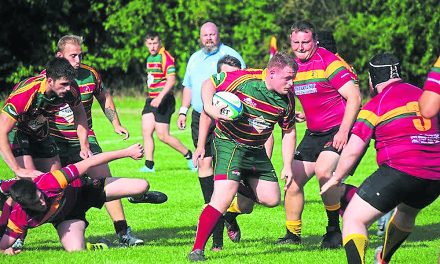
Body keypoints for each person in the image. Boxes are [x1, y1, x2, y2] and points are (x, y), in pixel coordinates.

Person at [320, 53, 440, 264]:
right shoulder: (423, 95)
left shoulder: (375, 105)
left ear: (371, 79)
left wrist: (335, 178)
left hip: (400, 170)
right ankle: (383, 258)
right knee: (406, 212)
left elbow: (353, 150)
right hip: (434, 177)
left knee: (353, 219)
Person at [188, 52, 298, 261]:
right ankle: (197, 249)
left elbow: (289, 131)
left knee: (271, 199)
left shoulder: (288, 100)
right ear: (272, 73)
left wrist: (287, 165)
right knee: (221, 197)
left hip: (255, 149)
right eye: (288, 78)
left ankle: (232, 197)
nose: (291, 83)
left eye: (293, 78)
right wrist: (210, 107)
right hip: (230, 144)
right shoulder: (245, 78)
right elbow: (207, 83)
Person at [50, 35, 146, 246]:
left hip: (86, 136)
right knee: (47, 187)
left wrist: (116, 123)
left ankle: (123, 232)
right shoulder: (49, 77)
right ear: (60, 55)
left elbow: (104, 97)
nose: (77, 59)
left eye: (80, 54)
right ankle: (17, 236)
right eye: (72, 55)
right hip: (55, 140)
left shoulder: (90, 74)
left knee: (104, 179)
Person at [278, 21, 361, 248]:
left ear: (314, 41)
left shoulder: (329, 62)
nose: (301, 47)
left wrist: (344, 131)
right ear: (291, 42)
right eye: (296, 43)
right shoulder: (292, 65)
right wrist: (299, 113)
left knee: (324, 172)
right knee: (292, 179)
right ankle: (292, 235)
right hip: (314, 133)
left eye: (306, 42)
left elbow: (355, 97)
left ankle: (334, 231)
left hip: (337, 130)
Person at [0, 144, 167, 255]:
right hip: (69, 215)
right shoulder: (18, 217)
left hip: (82, 191)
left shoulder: (51, 181)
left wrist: (127, 152)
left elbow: (91, 162)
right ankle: (100, 245)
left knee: (142, 185)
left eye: (40, 197)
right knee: (76, 251)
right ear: (23, 206)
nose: (42, 202)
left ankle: (136, 196)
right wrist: (6, 251)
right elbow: (2, 245)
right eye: (36, 203)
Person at [177, 21, 245, 250]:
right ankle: (215, 227)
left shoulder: (231, 56)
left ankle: (225, 214)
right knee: (204, 166)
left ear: (218, 35)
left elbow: (245, 86)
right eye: (204, 35)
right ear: (200, 37)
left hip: (227, 119)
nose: (208, 38)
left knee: (223, 172)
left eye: (212, 34)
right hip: (200, 117)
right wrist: (183, 110)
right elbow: (188, 86)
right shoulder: (195, 58)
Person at [193, 55, 254, 249]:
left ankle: (231, 214)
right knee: (211, 196)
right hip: (212, 134)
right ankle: (216, 243)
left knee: (247, 205)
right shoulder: (214, 95)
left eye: (234, 74)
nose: (230, 79)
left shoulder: (247, 95)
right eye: (226, 74)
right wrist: (201, 146)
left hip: (237, 142)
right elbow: (205, 117)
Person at [0, 57, 90, 178]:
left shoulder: (71, 88)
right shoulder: (27, 92)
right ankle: (5, 190)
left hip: (40, 131)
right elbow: (1, 131)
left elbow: (79, 113)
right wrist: (18, 169)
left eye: (69, 83)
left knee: (56, 182)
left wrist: (84, 146)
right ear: (50, 81)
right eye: (63, 84)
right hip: (17, 132)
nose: (68, 88)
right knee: (31, 183)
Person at [140, 32, 194, 173]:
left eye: (155, 43)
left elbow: (171, 80)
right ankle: (149, 165)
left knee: (163, 136)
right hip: (151, 99)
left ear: (160, 43)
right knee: (146, 131)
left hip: (164, 100)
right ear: (146, 44)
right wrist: (153, 97)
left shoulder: (165, 57)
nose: (152, 46)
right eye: (150, 44)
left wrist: (160, 97)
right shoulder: (149, 58)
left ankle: (189, 156)